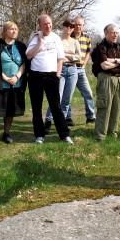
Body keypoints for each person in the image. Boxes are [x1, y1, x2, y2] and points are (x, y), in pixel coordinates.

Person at [26, 14, 73, 144]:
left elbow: (60, 58)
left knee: (56, 106)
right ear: (40, 25)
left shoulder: (56, 38)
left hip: (52, 76)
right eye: (45, 24)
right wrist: (40, 42)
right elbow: (29, 56)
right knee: (37, 107)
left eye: (50, 23)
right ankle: (39, 135)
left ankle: (64, 135)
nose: (48, 26)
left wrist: (58, 75)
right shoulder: (35, 38)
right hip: (36, 76)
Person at [93, 24, 120, 142]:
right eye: (112, 32)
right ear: (106, 33)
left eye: (117, 33)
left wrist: (114, 60)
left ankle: (112, 134)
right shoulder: (101, 47)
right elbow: (104, 66)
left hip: (119, 79)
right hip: (106, 79)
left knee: (116, 107)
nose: (115, 35)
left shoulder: (119, 46)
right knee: (104, 107)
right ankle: (101, 136)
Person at [44, 20, 82, 134]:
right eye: (67, 26)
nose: (69, 28)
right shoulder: (57, 39)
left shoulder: (75, 42)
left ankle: (61, 122)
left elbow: (79, 57)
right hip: (60, 69)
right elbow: (55, 54)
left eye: (72, 26)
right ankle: (48, 121)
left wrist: (66, 56)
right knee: (57, 97)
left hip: (73, 70)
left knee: (67, 99)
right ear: (63, 26)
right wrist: (69, 56)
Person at [69, 16, 96, 124]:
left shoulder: (87, 37)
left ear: (83, 26)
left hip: (80, 69)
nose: (78, 26)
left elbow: (88, 52)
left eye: (80, 24)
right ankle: (67, 117)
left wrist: (84, 64)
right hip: (70, 68)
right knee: (68, 94)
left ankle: (91, 116)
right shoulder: (68, 36)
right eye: (76, 24)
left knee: (88, 93)